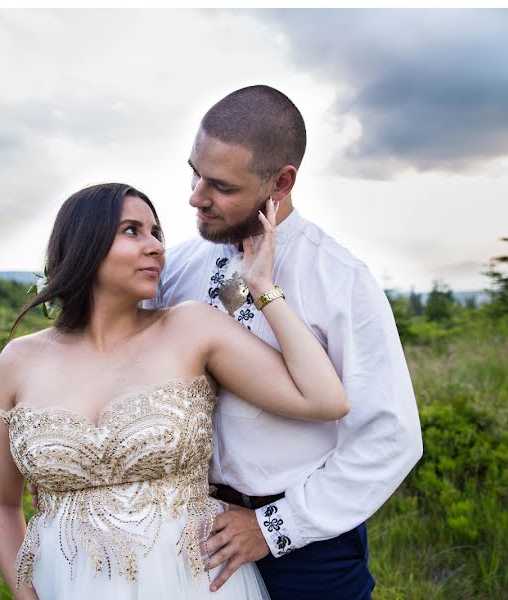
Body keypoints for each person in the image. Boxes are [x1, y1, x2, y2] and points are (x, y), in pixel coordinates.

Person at [0, 182, 351, 600]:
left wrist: (262, 285)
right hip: (66, 585)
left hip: (192, 581)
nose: (156, 246)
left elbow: (325, 399)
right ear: (83, 242)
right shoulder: (19, 360)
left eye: (156, 233)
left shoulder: (190, 327)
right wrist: (26, 595)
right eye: (132, 231)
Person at [148, 85, 424, 598]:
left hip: (307, 550)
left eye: (221, 186)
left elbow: (391, 435)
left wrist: (275, 526)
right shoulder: (177, 267)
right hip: (187, 531)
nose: (195, 197)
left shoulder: (340, 279)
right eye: (194, 172)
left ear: (281, 181)